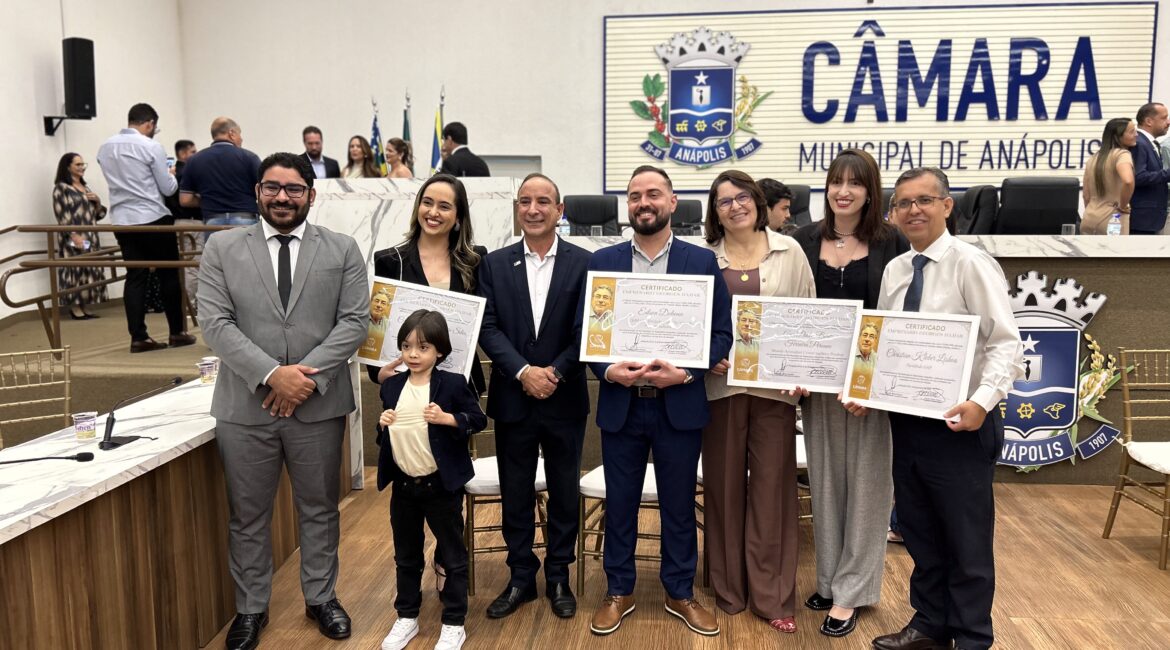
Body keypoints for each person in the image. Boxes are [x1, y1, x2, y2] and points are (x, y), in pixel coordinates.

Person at [198, 152, 368, 650]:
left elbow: (354, 322)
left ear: (311, 195)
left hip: (318, 406)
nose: (282, 197)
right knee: (248, 516)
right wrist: (273, 375)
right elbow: (215, 323)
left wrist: (303, 380)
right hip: (245, 408)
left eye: (294, 189)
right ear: (257, 192)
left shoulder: (342, 249)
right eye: (272, 187)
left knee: (319, 508)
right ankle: (251, 608)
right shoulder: (222, 248)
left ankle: (321, 597)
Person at [863, 167, 1023, 650]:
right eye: (903, 203)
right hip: (907, 421)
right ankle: (931, 623)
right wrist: (866, 388)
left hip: (961, 423)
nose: (913, 210)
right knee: (920, 530)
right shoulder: (896, 270)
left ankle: (972, 636)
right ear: (893, 214)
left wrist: (981, 402)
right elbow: (886, 341)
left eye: (925, 200)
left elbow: (1005, 343)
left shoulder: (970, 263)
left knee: (966, 538)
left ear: (947, 206)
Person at [583, 165, 732, 638]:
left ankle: (680, 591)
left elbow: (722, 334)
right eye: (634, 196)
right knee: (620, 503)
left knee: (678, 504)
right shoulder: (602, 261)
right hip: (622, 403)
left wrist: (685, 372)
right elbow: (587, 334)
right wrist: (608, 370)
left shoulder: (701, 262)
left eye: (653, 194)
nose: (643, 203)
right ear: (627, 205)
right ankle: (618, 590)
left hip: (678, 403)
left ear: (672, 202)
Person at [793, 148, 910, 639]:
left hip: (868, 386)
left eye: (855, 183)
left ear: (870, 190)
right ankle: (829, 579)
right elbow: (793, 311)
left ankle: (853, 592)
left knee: (868, 486)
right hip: (818, 384)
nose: (843, 191)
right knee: (824, 482)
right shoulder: (802, 239)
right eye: (836, 182)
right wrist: (793, 366)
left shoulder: (892, 241)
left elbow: (898, 316)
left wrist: (874, 383)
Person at [700, 169, 814, 635]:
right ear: (714, 211)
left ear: (758, 201)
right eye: (724, 201)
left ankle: (772, 596)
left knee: (773, 492)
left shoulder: (790, 251)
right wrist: (704, 355)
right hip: (720, 390)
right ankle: (728, 588)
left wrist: (805, 370)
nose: (735, 206)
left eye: (742, 196)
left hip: (774, 392)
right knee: (723, 489)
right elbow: (692, 322)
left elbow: (808, 315)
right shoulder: (702, 255)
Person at [476, 173, 591, 620]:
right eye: (525, 201)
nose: (533, 209)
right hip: (514, 397)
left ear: (560, 210)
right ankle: (521, 576)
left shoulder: (585, 263)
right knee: (516, 491)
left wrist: (554, 373)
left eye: (543, 201)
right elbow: (488, 327)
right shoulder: (494, 264)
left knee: (564, 491)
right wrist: (524, 372)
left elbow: (589, 330)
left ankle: (559, 574)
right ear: (517, 209)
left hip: (565, 397)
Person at [369, 173, 487, 594]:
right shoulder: (390, 260)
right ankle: (415, 565)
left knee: (449, 477)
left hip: (456, 390)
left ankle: (446, 556)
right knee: (414, 475)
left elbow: (482, 323)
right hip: (406, 387)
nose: (433, 212)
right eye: (427, 202)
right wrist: (380, 372)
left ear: (458, 216)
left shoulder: (475, 261)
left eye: (445, 206)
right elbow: (379, 327)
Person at [376, 310, 486, 650]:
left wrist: (448, 418)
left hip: (440, 486)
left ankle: (454, 622)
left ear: (440, 351)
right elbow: (387, 438)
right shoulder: (391, 386)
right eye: (406, 346)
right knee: (406, 555)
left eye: (423, 347)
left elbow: (477, 419)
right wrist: (382, 425)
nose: (413, 354)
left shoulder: (451, 384)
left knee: (453, 556)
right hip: (403, 486)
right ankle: (406, 616)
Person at [96, 102, 194, 353]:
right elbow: (168, 189)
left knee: (135, 276)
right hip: (152, 216)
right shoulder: (151, 146)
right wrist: (171, 173)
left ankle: (139, 337)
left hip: (122, 219)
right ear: (149, 123)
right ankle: (177, 332)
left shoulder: (105, 147)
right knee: (168, 274)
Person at [180, 117, 262, 236]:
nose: (241, 139)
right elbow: (264, 191)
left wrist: (209, 200)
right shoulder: (249, 157)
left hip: (213, 223)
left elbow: (185, 200)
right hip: (246, 220)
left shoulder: (194, 160)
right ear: (231, 133)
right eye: (240, 134)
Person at [51, 153, 108, 319]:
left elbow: (97, 214)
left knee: (89, 268)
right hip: (73, 237)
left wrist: (98, 202)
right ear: (67, 167)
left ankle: (85, 304)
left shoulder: (85, 187)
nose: (82, 167)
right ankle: (74, 307)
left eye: (83, 164)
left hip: (91, 235)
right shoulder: (61, 188)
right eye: (78, 164)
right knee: (75, 269)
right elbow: (61, 214)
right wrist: (73, 235)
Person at [1081, 118, 1136, 234]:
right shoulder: (1122, 155)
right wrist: (1122, 206)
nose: (1136, 134)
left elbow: (1086, 195)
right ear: (1118, 136)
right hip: (1113, 219)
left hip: (1088, 218)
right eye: (1132, 132)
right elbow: (1128, 181)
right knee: (1116, 246)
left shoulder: (1093, 158)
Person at [1129, 102, 1170, 234]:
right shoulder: (1139, 143)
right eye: (1164, 118)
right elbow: (1138, 177)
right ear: (1148, 121)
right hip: (1142, 220)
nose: (1168, 122)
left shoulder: (1149, 143)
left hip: (1151, 219)